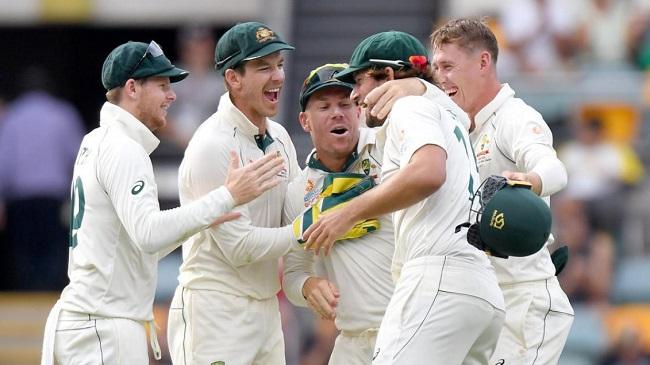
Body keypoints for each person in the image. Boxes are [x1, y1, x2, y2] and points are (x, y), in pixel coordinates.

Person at [40, 40, 284, 365]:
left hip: (88, 322)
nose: (172, 96)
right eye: (162, 85)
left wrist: (207, 215)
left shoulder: (96, 141)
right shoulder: (124, 148)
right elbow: (149, 234)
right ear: (132, 88)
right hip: (103, 327)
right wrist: (228, 196)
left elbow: (141, 246)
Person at [364, 18, 575, 365]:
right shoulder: (451, 122)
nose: (441, 77)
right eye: (435, 68)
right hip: (476, 298)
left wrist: (528, 181)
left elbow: (555, 169)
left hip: (523, 302)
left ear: (483, 62)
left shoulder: (514, 116)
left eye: (448, 66)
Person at [302, 31, 505, 364]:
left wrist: (347, 213)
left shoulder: (408, 106)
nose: (355, 96)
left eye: (359, 81)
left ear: (390, 77)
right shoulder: (448, 111)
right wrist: (420, 85)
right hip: (480, 291)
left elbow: (428, 172)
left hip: (438, 280)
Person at [166, 22, 302, 365]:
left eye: (279, 65)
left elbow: (298, 211)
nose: (277, 77)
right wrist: (310, 229)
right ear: (233, 79)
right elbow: (240, 248)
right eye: (263, 67)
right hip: (215, 312)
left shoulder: (280, 137)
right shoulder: (212, 145)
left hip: (266, 308)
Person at [282, 63, 394, 364]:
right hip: (352, 339)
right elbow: (293, 274)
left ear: (359, 110)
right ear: (304, 121)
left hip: (406, 328)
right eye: (324, 106)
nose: (337, 112)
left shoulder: (389, 147)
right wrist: (308, 286)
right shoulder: (297, 191)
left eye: (346, 103)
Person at [0, 66, 84, 290]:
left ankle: (28, 294)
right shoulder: (63, 114)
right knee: (54, 249)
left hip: (20, 197)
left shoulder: (12, 116)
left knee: (24, 251)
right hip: (53, 197)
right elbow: (77, 158)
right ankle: (50, 294)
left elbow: (4, 162)